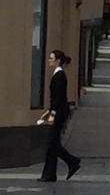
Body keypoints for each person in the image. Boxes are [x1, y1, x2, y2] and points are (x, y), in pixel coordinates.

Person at [38, 50, 81, 182]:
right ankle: (50, 174)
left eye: (51, 58)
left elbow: (58, 99)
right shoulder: (57, 74)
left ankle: (72, 161)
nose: (49, 60)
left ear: (58, 61)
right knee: (52, 142)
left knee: (52, 143)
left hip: (58, 112)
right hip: (57, 112)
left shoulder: (60, 75)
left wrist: (49, 114)